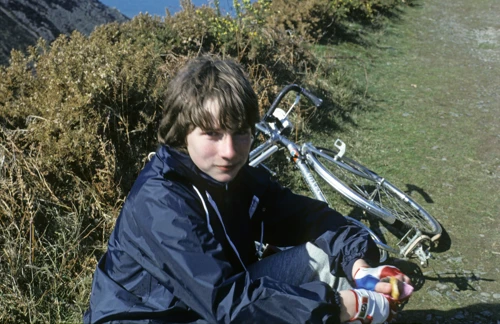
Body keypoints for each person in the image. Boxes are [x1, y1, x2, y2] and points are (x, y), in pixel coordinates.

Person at [84, 56, 412, 324]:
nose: (230, 151)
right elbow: (227, 302)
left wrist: (362, 268)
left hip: (208, 306)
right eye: (212, 134)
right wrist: (343, 305)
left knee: (328, 258)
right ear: (183, 132)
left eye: (240, 132)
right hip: (152, 318)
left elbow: (307, 218)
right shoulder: (161, 203)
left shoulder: (233, 179)